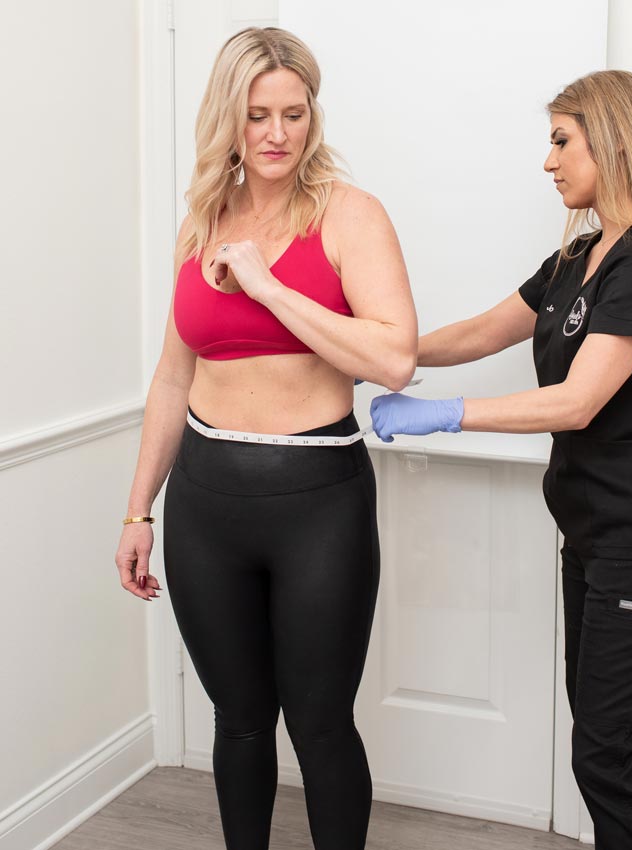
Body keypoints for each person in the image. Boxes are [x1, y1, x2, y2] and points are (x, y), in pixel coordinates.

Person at [370, 70, 632, 850]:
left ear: (617, 142)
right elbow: (487, 329)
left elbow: (576, 402)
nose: (549, 162)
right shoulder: (581, 256)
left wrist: (444, 414)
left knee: (603, 753)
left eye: (562, 140)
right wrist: (379, 352)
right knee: (609, 744)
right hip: (594, 541)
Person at [114, 27, 417, 850]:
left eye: (294, 112)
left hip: (318, 503)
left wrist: (268, 285)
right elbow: (173, 380)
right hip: (207, 503)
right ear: (229, 120)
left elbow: (394, 358)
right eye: (257, 115)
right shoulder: (200, 222)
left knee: (319, 726)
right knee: (239, 720)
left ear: (314, 114)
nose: (278, 133)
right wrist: (139, 511)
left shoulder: (351, 216)